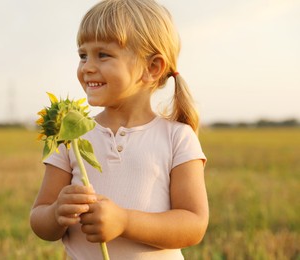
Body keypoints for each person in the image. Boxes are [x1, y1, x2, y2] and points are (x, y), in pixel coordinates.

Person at [30, 0, 209, 259]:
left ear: (152, 68)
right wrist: (56, 212)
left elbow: (193, 224)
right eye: (83, 55)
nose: (87, 67)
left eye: (103, 54)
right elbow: (39, 219)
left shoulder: (177, 137)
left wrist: (124, 221)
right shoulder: (70, 136)